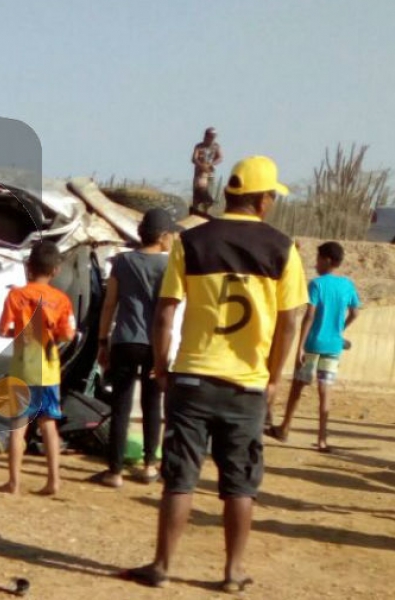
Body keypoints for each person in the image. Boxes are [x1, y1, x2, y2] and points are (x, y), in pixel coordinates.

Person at [123, 156, 306, 593]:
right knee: (240, 484)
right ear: (262, 200)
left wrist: (162, 364)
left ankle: (162, 566)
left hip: (192, 378)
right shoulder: (283, 249)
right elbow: (292, 320)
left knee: (180, 478)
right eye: (272, 197)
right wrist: (274, 377)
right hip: (246, 385)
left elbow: (166, 311)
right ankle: (233, 572)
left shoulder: (190, 242)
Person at [95, 209, 181, 488]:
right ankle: (148, 466)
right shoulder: (170, 266)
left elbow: (110, 304)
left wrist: (102, 340)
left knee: (120, 405)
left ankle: (115, 471)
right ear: (164, 236)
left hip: (125, 340)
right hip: (157, 343)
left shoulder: (122, 261)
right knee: (152, 404)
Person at [0, 240, 76, 496]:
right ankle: (53, 481)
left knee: (18, 425)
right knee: (48, 423)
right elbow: (68, 334)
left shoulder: (16, 295)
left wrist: (18, 332)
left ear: (28, 267)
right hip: (49, 369)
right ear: (56, 271)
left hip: (22, 368)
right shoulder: (62, 300)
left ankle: (14, 483)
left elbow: (2, 330)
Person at [269, 242, 361, 452]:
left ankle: (284, 428)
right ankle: (322, 440)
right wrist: (339, 331)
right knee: (325, 391)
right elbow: (355, 312)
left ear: (327, 260)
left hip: (313, 344)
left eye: (318, 259)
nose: (316, 263)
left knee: (298, 388)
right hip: (333, 347)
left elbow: (309, 315)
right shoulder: (347, 285)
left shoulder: (317, 284)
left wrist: (300, 345)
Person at [190, 127, 223, 216]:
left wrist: (211, 164)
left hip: (210, 174)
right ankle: (195, 214)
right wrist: (201, 166)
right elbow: (194, 158)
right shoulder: (199, 146)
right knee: (197, 195)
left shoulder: (216, 146)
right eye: (210, 136)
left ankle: (206, 214)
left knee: (209, 196)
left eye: (213, 137)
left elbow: (220, 157)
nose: (212, 139)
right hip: (199, 175)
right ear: (206, 136)